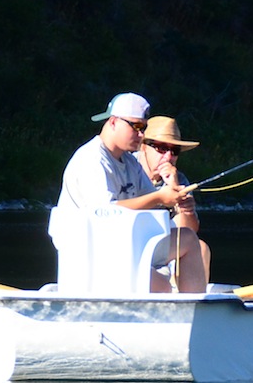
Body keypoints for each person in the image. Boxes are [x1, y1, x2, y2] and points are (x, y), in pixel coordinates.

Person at [57, 93, 203, 292]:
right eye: (136, 127)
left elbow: (154, 200)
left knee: (188, 240)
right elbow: (106, 211)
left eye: (143, 128)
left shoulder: (130, 163)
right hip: (94, 254)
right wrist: (161, 197)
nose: (141, 135)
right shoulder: (90, 160)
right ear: (114, 122)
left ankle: (196, 314)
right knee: (161, 288)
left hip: (125, 248)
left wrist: (177, 200)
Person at [135, 115, 211, 288]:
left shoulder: (179, 179)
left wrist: (184, 205)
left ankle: (192, 305)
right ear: (144, 147)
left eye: (174, 151)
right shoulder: (130, 169)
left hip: (163, 247)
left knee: (202, 248)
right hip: (135, 243)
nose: (168, 156)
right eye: (161, 148)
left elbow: (188, 231)